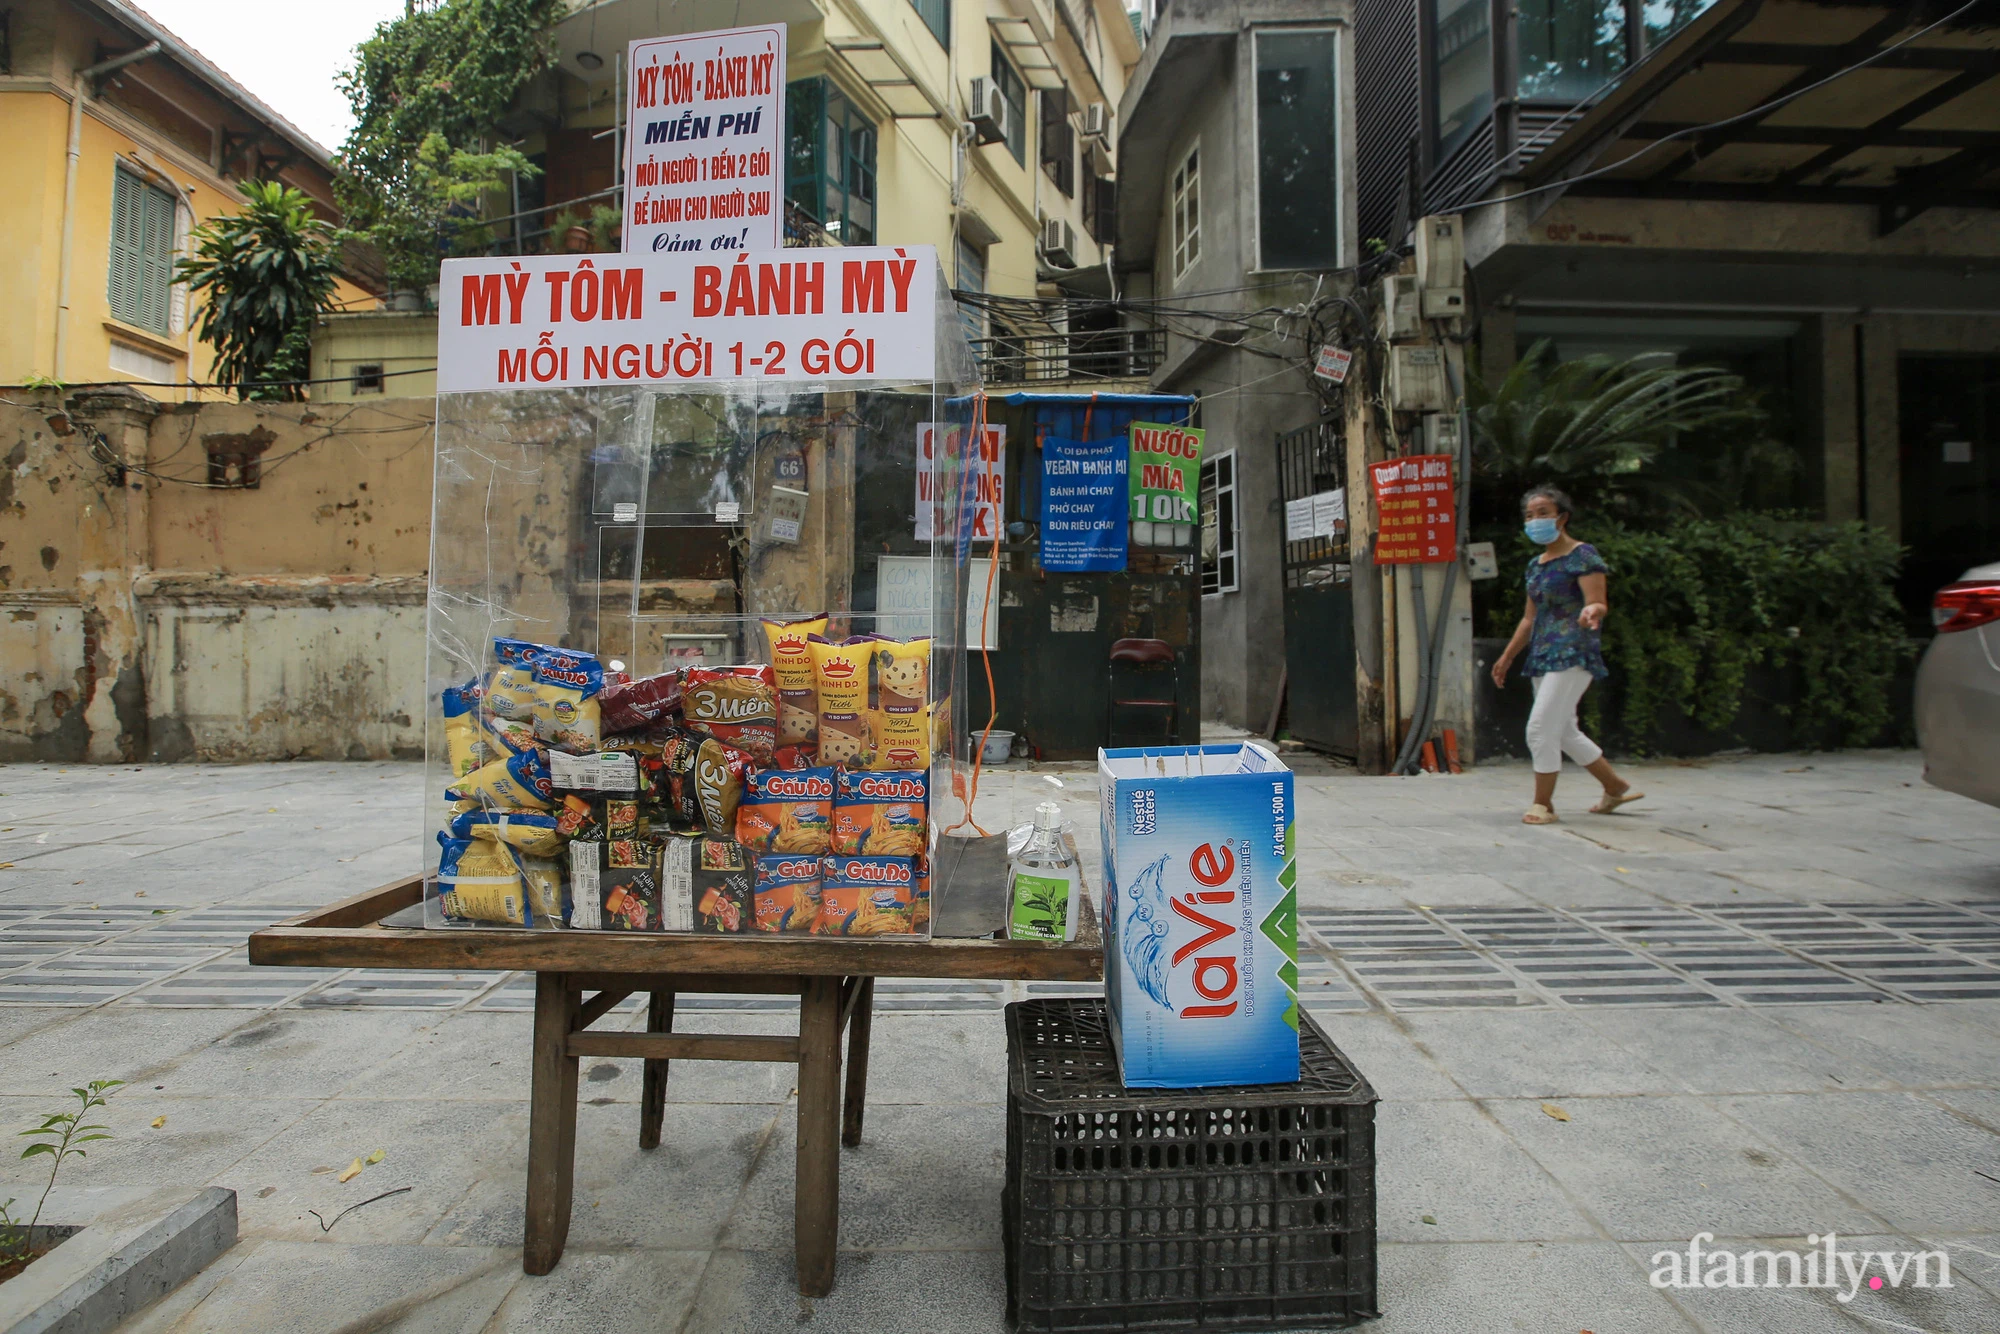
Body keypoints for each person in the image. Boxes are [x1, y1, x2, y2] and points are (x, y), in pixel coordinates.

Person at [1489, 485, 1643, 825]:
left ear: (1563, 517)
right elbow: (1529, 618)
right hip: (1543, 654)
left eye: (1543, 513)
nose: (1535, 520)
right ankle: (1615, 787)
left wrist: (1593, 612)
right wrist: (1508, 656)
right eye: (1529, 515)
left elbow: (1597, 600)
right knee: (1564, 731)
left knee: (1540, 727)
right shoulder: (1536, 565)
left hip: (1574, 650)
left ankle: (1543, 804)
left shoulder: (1583, 556)